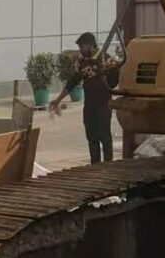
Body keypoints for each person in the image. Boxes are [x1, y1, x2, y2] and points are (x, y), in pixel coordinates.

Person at [51, 31, 119, 163]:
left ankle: (108, 165)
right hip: (89, 104)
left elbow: (116, 78)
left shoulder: (106, 59)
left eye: (82, 46)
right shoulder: (82, 62)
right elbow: (72, 82)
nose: (80, 50)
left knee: (104, 135)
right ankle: (95, 165)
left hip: (103, 103)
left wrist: (106, 80)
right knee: (91, 135)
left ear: (90, 45)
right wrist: (58, 100)